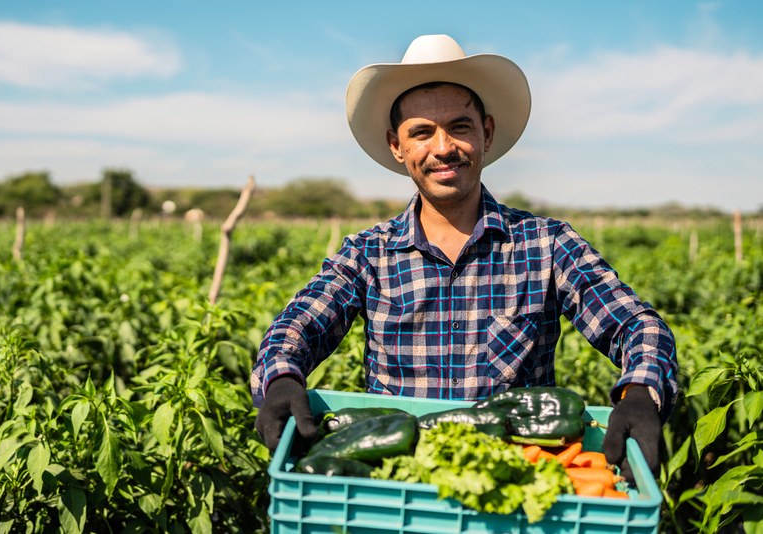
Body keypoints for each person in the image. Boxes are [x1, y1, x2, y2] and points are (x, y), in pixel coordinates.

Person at [250, 34, 678, 483]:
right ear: (397, 146)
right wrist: (282, 379)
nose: (443, 147)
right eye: (421, 132)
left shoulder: (547, 244)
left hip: (516, 477)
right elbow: (299, 325)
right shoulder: (367, 253)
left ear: (486, 133)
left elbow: (636, 324)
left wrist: (640, 392)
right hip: (397, 479)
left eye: (460, 126)